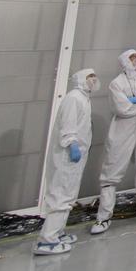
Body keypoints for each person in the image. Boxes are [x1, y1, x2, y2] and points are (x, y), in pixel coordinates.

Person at [90, 49, 136, 234]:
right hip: (123, 130)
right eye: (132, 57)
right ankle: (103, 217)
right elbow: (122, 108)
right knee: (112, 170)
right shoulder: (117, 83)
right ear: (125, 62)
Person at [34, 69, 98, 255]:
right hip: (67, 155)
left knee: (68, 195)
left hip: (77, 156)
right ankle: (47, 240)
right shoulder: (74, 98)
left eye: (94, 77)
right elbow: (68, 125)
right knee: (61, 195)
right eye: (90, 77)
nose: (94, 80)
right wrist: (72, 144)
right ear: (80, 80)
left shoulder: (84, 98)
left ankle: (57, 232)